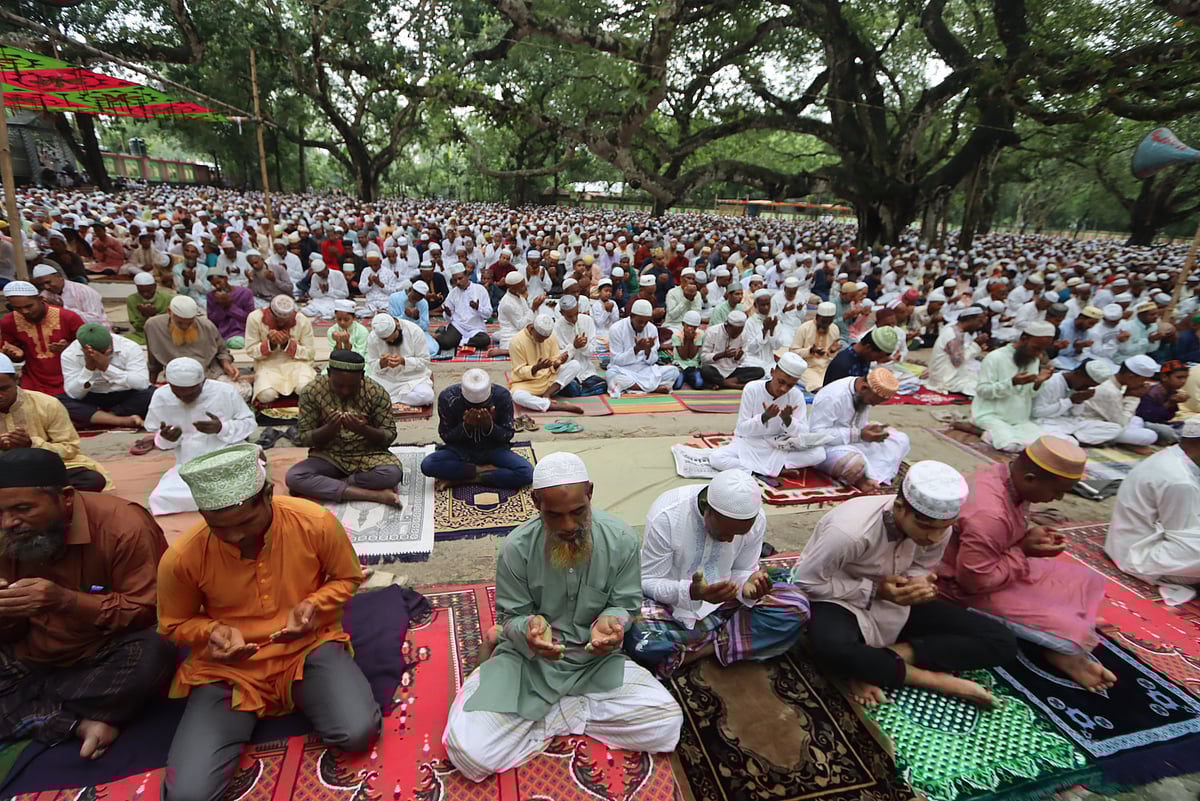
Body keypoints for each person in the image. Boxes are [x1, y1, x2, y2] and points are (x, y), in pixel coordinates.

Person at [443, 452, 682, 781]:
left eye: (577, 511)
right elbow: (511, 618)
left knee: (666, 723)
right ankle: (566, 711)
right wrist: (528, 628)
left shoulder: (621, 539)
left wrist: (612, 622)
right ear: (536, 503)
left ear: (590, 493)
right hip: (529, 664)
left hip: (594, 664)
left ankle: (540, 717)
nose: (568, 526)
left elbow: (626, 604)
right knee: (467, 751)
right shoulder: (516, 549)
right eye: (554, 515)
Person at [159, 443, 378, 801]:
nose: (235, 536)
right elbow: (172, 623)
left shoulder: (314, 522)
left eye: (245, 522)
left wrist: (312, 605)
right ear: (202, 514)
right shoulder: (182, 557)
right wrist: (212, 631)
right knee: (188, 795)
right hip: (229, 670)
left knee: (358, 733)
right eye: (219, 527)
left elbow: (347, 578)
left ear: (267, 495)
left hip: (306, 648)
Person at [792, 460, 1015, 707]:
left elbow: (921, 565)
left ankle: (885, 659)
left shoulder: (939, 528)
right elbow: (806, 582)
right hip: (839, 600)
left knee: (1000, 641)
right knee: (831, 648)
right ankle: (929, 679)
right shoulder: (850, 533)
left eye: (943, 528)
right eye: (926, 527)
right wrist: (875, 590)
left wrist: (916, 585)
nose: (934, 537)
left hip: (895, 604)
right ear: (899, 508)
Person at [0, 448, 174, 759]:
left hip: (100, 654)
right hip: (27, 654)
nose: (9, 522)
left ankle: (31, 711)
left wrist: (65, 600)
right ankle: (74, 721)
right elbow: (9, 633)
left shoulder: (123, 526)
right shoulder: (4, 529)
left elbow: (147, 610)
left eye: (23, 509)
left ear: (66, 497)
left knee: (155, 651)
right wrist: (6, 611)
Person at [938, 436, 1116, 691]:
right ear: (1031, 479)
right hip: (955, 589)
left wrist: (1026, 539)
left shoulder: (1004, 477)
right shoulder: (990, 515)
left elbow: (1000, 542)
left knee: (1084, 580)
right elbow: (974, 583)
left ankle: (1065, 622)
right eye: (1058, 491)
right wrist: (1022, 550)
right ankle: (1063, 651)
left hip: (992, 564)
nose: (1058, 498)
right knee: (1069, 634)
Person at [626, 469, 809, 677]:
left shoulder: (757, 520)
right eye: (725, 532)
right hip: (672, 604)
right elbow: (649, 580)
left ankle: (704, 649)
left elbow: (743, 569)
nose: (730, 540)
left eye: (738, 534)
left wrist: (747, 586)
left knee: (797, 605)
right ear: (707, 509)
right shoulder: (668, 515)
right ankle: (736, 637)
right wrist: (691, 592)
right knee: (641, 639)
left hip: (727, 602)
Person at [285, 349, 403, 506]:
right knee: (294, 477)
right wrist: (328, 429)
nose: (345, 391)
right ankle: (374, 495)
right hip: (329, 455)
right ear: (329, 373)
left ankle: (327, 485)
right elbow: (304, 437)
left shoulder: (376, 392)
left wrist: (363, 430)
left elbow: (389, 435)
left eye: (352, 386)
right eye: (339, 385)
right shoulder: (311, 392)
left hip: (368, 454)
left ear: (362, 376)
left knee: (392, 474)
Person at [143, 357, 257, 515]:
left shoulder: (225, 391)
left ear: (202, 382)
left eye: (190, 393)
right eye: (178, 394)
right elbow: (160, 440)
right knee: (161, 498)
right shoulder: (161, 396)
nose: (184, 398)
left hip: (228, 455)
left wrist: (221, 428)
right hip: (190, 463)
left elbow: (249, 424)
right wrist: (166, 439)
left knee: (245, 489)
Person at [1106, 417, 1200, 587]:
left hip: (1123, 543)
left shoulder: (1171, 455)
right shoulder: (1180, 482)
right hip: (1140, 558)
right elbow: (1184, 539)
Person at [0, 354, 109, 490]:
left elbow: (70, 448)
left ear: (16, 380)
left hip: (43, 469)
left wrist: (32, 444)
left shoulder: (47, 404)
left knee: (92, 480)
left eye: (3, 389)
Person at [708, 353, 829, 476]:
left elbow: (803, 433)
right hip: (750, 443)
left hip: (778, 447)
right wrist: (764, 418)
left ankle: (768, 468)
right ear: (772, 372)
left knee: (819, 453)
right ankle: (772, 470)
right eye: (781, 382)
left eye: (790, 385)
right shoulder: (752, 389)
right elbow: (742, 429)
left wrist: (788, 421)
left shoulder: (796, 395)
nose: (783, 389)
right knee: (717, 458)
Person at [420, 369, 533, 490]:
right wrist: (465, 427)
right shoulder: (448, 397)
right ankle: (483, 470)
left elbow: (508, 434)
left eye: (483, 405)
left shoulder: (502, 396)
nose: (477, 411)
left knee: (527, 472)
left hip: (494, 449)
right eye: (471, 407)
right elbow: (446, 436)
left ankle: (469, 478)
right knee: (428, 465)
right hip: (460, 450)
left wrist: (490, 427)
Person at [810, 368, 912, 489]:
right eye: (872, 401)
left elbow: (857, 425)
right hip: (826, 447)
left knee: (900, 440)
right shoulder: (833, 396)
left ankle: (871, 476)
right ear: (864, 388)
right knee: (852, 463)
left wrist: (869, 430)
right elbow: (817, 434)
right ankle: (864, 479)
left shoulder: (862, 394)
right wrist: (859, 435)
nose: (873, 405)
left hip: (855, 442)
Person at [145, 295, 250, 401]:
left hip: (208, 375)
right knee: (163, 398)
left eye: (189, 323)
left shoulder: (207, 326)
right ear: (169, 311)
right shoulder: (153, 326)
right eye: (180, 322)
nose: (185, 326)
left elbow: (222, 351)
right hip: (178, 380)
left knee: (239, 392)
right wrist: (150, 386)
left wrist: (226, 364)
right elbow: (153, 360)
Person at [970, 322, 1056, 451]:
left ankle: (997, 435)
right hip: (992, 415)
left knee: (1046, 446)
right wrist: (1012, 383)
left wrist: (1038, 382)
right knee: (1010, 445)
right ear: (1024, 339)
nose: (1038, 354)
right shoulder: (995, 357)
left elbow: (1029, 393)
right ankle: (984, 433)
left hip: (1020, 420)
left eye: (1042, 350)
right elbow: (983, 391)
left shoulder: (1033, 359)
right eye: (1036, 348)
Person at [58, 323, 153, 429]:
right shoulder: (69, 354)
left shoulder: (130, 347)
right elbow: (74, 394)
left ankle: (100, 419)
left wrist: (107, 368)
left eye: (105, 352)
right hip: (92, 396)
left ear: (111, 340)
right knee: (58, 402)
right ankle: (122, 421)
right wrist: (89, 369)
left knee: (152, 395)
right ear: (83, 349)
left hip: (124, 394)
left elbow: (142, 384)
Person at [1, 280, 83, 395]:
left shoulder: (68, 317)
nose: (25, 311)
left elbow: (89, 347)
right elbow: (12, 355)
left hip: (70, 379)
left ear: (40, 299)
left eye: (29, 306)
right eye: (17, 308)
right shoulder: (8, 322)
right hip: (32, 383)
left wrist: (69, 348)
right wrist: (16, 355)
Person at [1074, 354, 1161, 447]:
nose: (1143, 384)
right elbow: (1121, 424)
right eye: (1143, 380)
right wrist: (1134, 397)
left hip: (1103, 419)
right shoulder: (1111, 391)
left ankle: (1119, 441)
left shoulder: (1112, 380)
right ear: (1131, 376)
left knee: (1137, 420)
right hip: (1085, 423)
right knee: (1150, 436)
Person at [245, 295, 317, 404]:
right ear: (270, 312)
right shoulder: (255, 318)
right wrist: (270, 344)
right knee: (266, 396)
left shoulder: (302, 320)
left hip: (297, 364)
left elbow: (310, 353)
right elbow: (250, 350)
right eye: (278, 319)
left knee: (305, 389)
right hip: (267, 365)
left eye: (285, 320)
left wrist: (287, 345)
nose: (281, 323)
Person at [508, 315, 586, 413]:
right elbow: (519, 371)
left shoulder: (551, 336)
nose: (542, 341)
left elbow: (554, 358)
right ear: (531, 329)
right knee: (517, 396)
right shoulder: (516, 342)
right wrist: (536, 368)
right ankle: (557, 406)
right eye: (540, 338)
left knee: (575, 365)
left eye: (545, 339)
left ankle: (547, 395)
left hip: (549, 380)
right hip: (528, 384)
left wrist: (557, 363)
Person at [606, 299, 680, 398]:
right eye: (640, 322)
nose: (643, 325)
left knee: (673, 371)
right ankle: (654, 388)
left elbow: (652, 361)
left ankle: (635, 387)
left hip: (645, 369)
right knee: (611, 375)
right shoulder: (616, 329)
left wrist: (648, 350)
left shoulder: (652, 329)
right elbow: (616, 361)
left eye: (646, 322)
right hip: (624, 369)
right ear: (632, 316)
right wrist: (636, 349)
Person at [1030, 360, 1113, 442]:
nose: (1085, 388)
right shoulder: (1051, 381)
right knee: (1072, 441)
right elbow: (1036, 412)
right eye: (1086, 385)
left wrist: (1079, 401)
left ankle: (1072, 438)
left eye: (1090, 386)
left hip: (1068, 423)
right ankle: (1072, 440)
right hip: (1045, 423)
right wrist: (1071, 401)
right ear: (1077, 373)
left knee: (1113, 428)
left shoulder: (1078, 387)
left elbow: (1076, 414)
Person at [367, 313, 434, 406]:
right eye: (386, 340)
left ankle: (386, 398)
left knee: (426, 397)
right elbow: (372, 363)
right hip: (386, 379)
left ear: (397, 326)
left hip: (412, 378)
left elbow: (424, 361)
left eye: (392, 337)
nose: (391, 341)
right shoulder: (373, 337)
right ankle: (391, 397)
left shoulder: (414, 331)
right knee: (365, 392)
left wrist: (403, 361)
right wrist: (381, 364)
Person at [924, 306, 987, 396]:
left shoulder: (954, 330)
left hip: (943, 375)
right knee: (981, 387)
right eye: (979, 322)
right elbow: (958, 362)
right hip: (944, 380)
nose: (980, 326)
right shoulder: (954, 335)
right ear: (970, 320)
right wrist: (976, 345)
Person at [553, 295, 608, 396]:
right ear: (561, 313)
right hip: (569, 372)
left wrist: (584, 346)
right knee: (572, 388)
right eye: (570, 316)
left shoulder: (587, 320)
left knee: (603, 385)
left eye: (576, 314)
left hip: (587, 371)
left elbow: (592, 350)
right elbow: (558, 357)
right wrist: (573, 347)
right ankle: (581, 390)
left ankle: (579, 390)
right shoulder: (557, 327)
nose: (574, 319)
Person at [699, 310, 766, 389]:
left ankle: (723, 383)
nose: (736, 335)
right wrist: (722, 355)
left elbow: (742, 359)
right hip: (715, 368)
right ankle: (732, 385)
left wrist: (739, 357)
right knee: (705, 370)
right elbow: (703, 357)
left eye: (739, 332)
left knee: (760, 371)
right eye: (734, 332)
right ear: (728, 325)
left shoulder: (743, 334)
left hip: (732, 370)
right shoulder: (712, 332)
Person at [30, 263, 109, 328]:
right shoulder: (45, 295)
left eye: (48, 282)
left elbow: (95, 320)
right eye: (41, 285)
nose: (46, 287)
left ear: (58, 276)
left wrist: (63, 309)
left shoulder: (83, 291)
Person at [436, 265, 492, 352]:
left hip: (475, 327)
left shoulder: (480, 290)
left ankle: (460, 341)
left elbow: (488, 314)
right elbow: (448, 317)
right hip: (458, 326)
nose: (458, 282)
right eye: (455, 280)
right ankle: (452, 336)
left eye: (460, 278)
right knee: (445, 343)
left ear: (467, 276)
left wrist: (478, 308)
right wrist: (448, 313)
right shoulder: (453, 293)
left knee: (485, 340)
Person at [787, 301, 841, 391]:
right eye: (824, 322)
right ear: (817, 317)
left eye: (829, 322)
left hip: (826, 366)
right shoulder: (804, 328)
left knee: (837, 384)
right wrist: (810, 351)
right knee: (820, 387)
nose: (826, 325)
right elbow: (792, 352)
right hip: (807, 367)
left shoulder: (834, 329)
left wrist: (831, 352)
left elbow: (832, 356)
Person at [822, 326, 897, 387]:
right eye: (879, 357)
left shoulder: (864, 358)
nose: (877, 360)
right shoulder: (842, 364)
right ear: (868, 347)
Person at [491, 271, 541, 357]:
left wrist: (535, 308)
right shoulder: (507, 303)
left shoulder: (520, 297)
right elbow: (521, 326)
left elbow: (528, 315)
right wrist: (534, 308)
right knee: (534, 350)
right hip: (512, 335)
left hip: (523, 331)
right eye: (522, 286)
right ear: (512, 288)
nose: (525, 287)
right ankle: (503, 351)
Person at [205, 266, 256, 349]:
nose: (217, 286)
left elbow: (249, 318)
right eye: (214, 284)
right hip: (221, 333)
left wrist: (229, 306)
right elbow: (212, 321)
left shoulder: (245, 293)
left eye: (219, 282)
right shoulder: (211, 296)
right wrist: (221, 306)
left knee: (237, 342)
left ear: (225, 279)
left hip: (241, 332)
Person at [124, 272, 171, 345]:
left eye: (149, 291)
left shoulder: (166, 298)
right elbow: (135, 324)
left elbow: (169, 322)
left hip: (162, 333)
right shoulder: (132, 299)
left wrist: (153, 316)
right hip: (141, 334)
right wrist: (144, 316)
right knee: (123, 341)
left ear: (155, 286)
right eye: (141, 292)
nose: (145, 294)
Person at [670, 310, 705, 389]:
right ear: (683, 324)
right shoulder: (676, 335)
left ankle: (688, 377)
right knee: (677, 385)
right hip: (680, 365)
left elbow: (692, 355)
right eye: (688, 326)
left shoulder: (700, 334)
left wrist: (691, 339)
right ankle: (685, 377)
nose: (690, 329)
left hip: (694, 365)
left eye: (694, 327)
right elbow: (684, 356)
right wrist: (687, 339)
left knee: (699, 384)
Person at [172, 243, 210, 309]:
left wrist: (194, 280)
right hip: (185, 301)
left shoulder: (204, 269)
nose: (189, 254)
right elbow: (181, 291)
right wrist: (186, 280)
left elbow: (206, 290)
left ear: (198, 255)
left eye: (193, 252)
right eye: (187, 251)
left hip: (203, 301)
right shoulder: (177, 269)